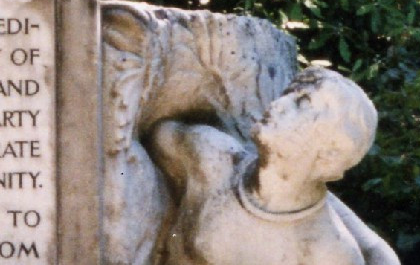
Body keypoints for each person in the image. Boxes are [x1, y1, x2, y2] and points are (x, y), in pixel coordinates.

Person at [145, 68, 402, 265]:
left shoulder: (325, 252)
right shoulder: (210, 156)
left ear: (329, 154)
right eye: (288, 96)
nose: (277, 105)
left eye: (301, 104)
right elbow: (142, 141)